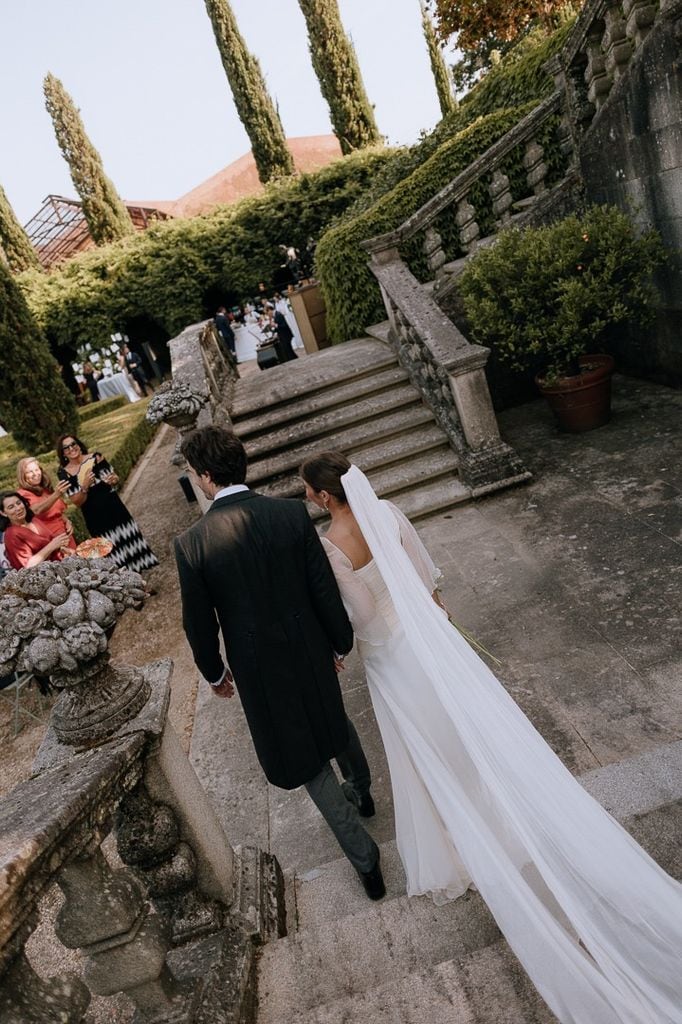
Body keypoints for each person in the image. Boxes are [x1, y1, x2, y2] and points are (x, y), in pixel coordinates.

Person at [300, 452, 682, 1024]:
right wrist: (428, 609)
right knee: (470, 733)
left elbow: (358, 611)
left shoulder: (331, 545)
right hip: (433, 641)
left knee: (426, 751)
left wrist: (348, 635)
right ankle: (504, 810)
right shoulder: (387, 511)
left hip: (390, 655)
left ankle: (463, 844)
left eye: (307, 489)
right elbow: (426, 577)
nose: (304, 496)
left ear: (326, 497)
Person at [174, 427, 384, 900]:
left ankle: (367, 862)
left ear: (207, 477)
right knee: (331, 714)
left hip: (257, 667)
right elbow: (322, 588)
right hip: (309, 642)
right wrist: (337, 641)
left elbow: (198, 623)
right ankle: (363, 787)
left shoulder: (192, 543)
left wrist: (214, 673)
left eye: (192, 472)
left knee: (305, 760)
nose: (194, 479)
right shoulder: (291, 515)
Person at [56, 434, 158, 573]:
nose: (71, 448)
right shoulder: (64, 473)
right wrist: (85, 486)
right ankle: (127, 585)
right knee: (110, 550)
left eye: (73, 444)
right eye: (66, 448)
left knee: (128, 541)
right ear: (63, 453)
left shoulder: (96, 458)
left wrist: (114, 479)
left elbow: (114, 477)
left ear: (79, 444)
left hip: (114, 507)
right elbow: (77, 501)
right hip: (95, 517)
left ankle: (140, 580)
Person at [17, 458, 77, 552]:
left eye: (37, 470)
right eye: (29, 472)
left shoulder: (45, 489)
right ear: (22, 476)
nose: (35, 474)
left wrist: (66, 520)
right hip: (50, 542)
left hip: (65, 536)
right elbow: (36, 510)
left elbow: (57, 510)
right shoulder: (22, 494)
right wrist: (56, 494)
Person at [0, 491, 72, 569]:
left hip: (61, 567)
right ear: (3, 513)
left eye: (19, 503)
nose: (18, 508)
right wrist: (52, 546)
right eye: (11, 507)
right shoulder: (11, 535)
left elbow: (51, 541)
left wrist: (62, 547)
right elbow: (28, 566)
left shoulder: (34, 520)